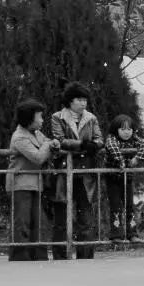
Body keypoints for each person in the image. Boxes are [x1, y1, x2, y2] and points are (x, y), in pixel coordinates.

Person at [50, 82, 103, 260]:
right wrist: (82, 145)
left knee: (86, 215)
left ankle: (86, 256)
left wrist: (94, 145)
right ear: (70, 101)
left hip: (85, 172)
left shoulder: (91, 118)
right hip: (65, 171)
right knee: (61, 216)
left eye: (85, 100)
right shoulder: (58, 117)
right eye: (79, 100)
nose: (83, 103)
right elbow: (59, 139)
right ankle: (60, 255)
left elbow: (99, 138)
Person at [7, 100, 60, 261]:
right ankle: (20, 257)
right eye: (40, 117)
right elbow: (37, 157)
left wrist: (53, 143)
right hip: (20, 183)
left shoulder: (36, 133)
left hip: (35, 183)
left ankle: (39, 255)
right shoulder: (19, 137)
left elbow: (47, 143)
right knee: (22, 221)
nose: (43, 120)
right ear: (29, 119)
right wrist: (49, 144)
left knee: (39, 221)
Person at [104, 114, 144, 243]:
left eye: (129, 129)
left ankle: (132, 233)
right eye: (123, 129)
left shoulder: (134, 139)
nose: (127, 132)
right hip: (113, 177)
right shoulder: (112, 138)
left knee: (129, 205)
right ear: (116, 129)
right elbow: (112, 147)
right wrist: (121, 161)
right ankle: (116, 235)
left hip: (127, 177)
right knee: (115, 206)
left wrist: (137, 159)